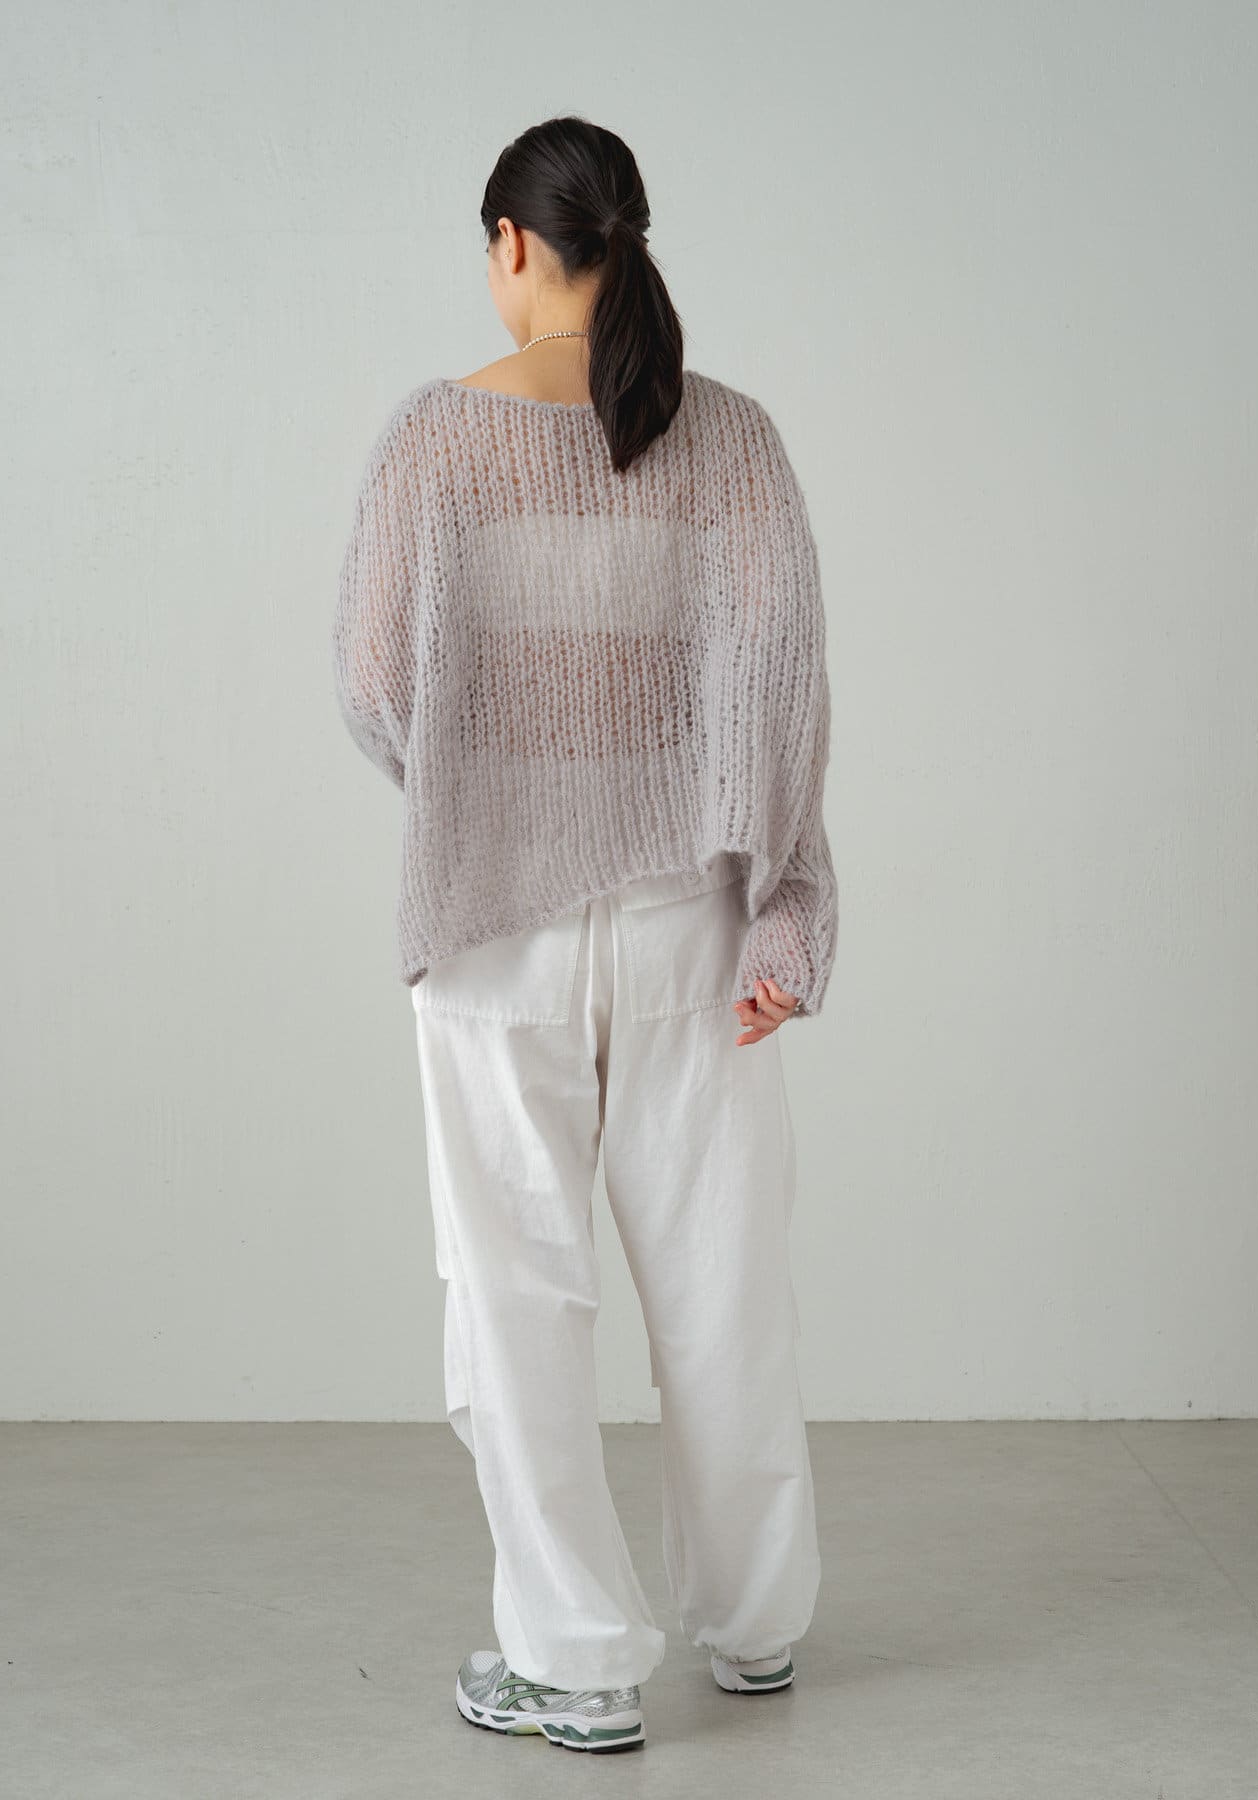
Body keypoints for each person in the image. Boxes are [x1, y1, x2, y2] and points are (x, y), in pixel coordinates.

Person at [330, 114, 837, 1753]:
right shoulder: (733, 438)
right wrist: (787, 905)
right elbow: (781, 692)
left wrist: (489, 795)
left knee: (517, 1296)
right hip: (695, 922)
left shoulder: (435, 440)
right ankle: (756, 1624)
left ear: (513, 244)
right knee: (723, 1283)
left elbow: (374, 685)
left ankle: (574, 1661)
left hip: (494, 931)